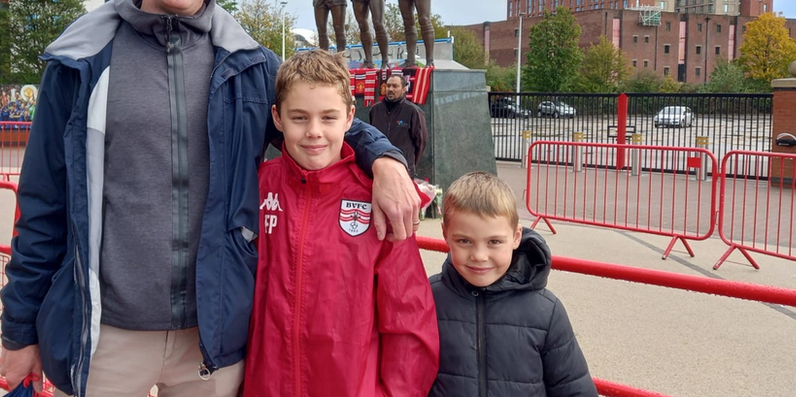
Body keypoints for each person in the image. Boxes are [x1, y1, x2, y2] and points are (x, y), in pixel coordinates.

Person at [0, 0, 420, 397]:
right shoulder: (81, 61)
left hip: (214, 337)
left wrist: (387, 160)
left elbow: (324, 119)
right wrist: (19, 328)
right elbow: (42, 201)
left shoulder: (251, 65)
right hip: (107, 333)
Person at [242, 49, 439, 397]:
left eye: (328, 118)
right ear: (277, 117)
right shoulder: (255, 188)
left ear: (350, 118)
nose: (314, 132)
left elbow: (408, 319)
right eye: (299, 118)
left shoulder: (377, 198)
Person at [429, 172, 598, 397]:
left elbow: (573, 388)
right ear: (445, 235)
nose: (479, 256)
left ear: (516, 237)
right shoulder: (427, 299)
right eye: (464, 241)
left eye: (494, 242)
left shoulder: (546, 311)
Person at [369, 73, 427, 179]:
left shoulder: (413, 111)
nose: (390, 89)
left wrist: (409, 163)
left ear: (404, 89)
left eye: (395, 86)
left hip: (403, 170)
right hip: (379, 169)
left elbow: (420, 143)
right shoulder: (375, 110)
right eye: (388, 86)